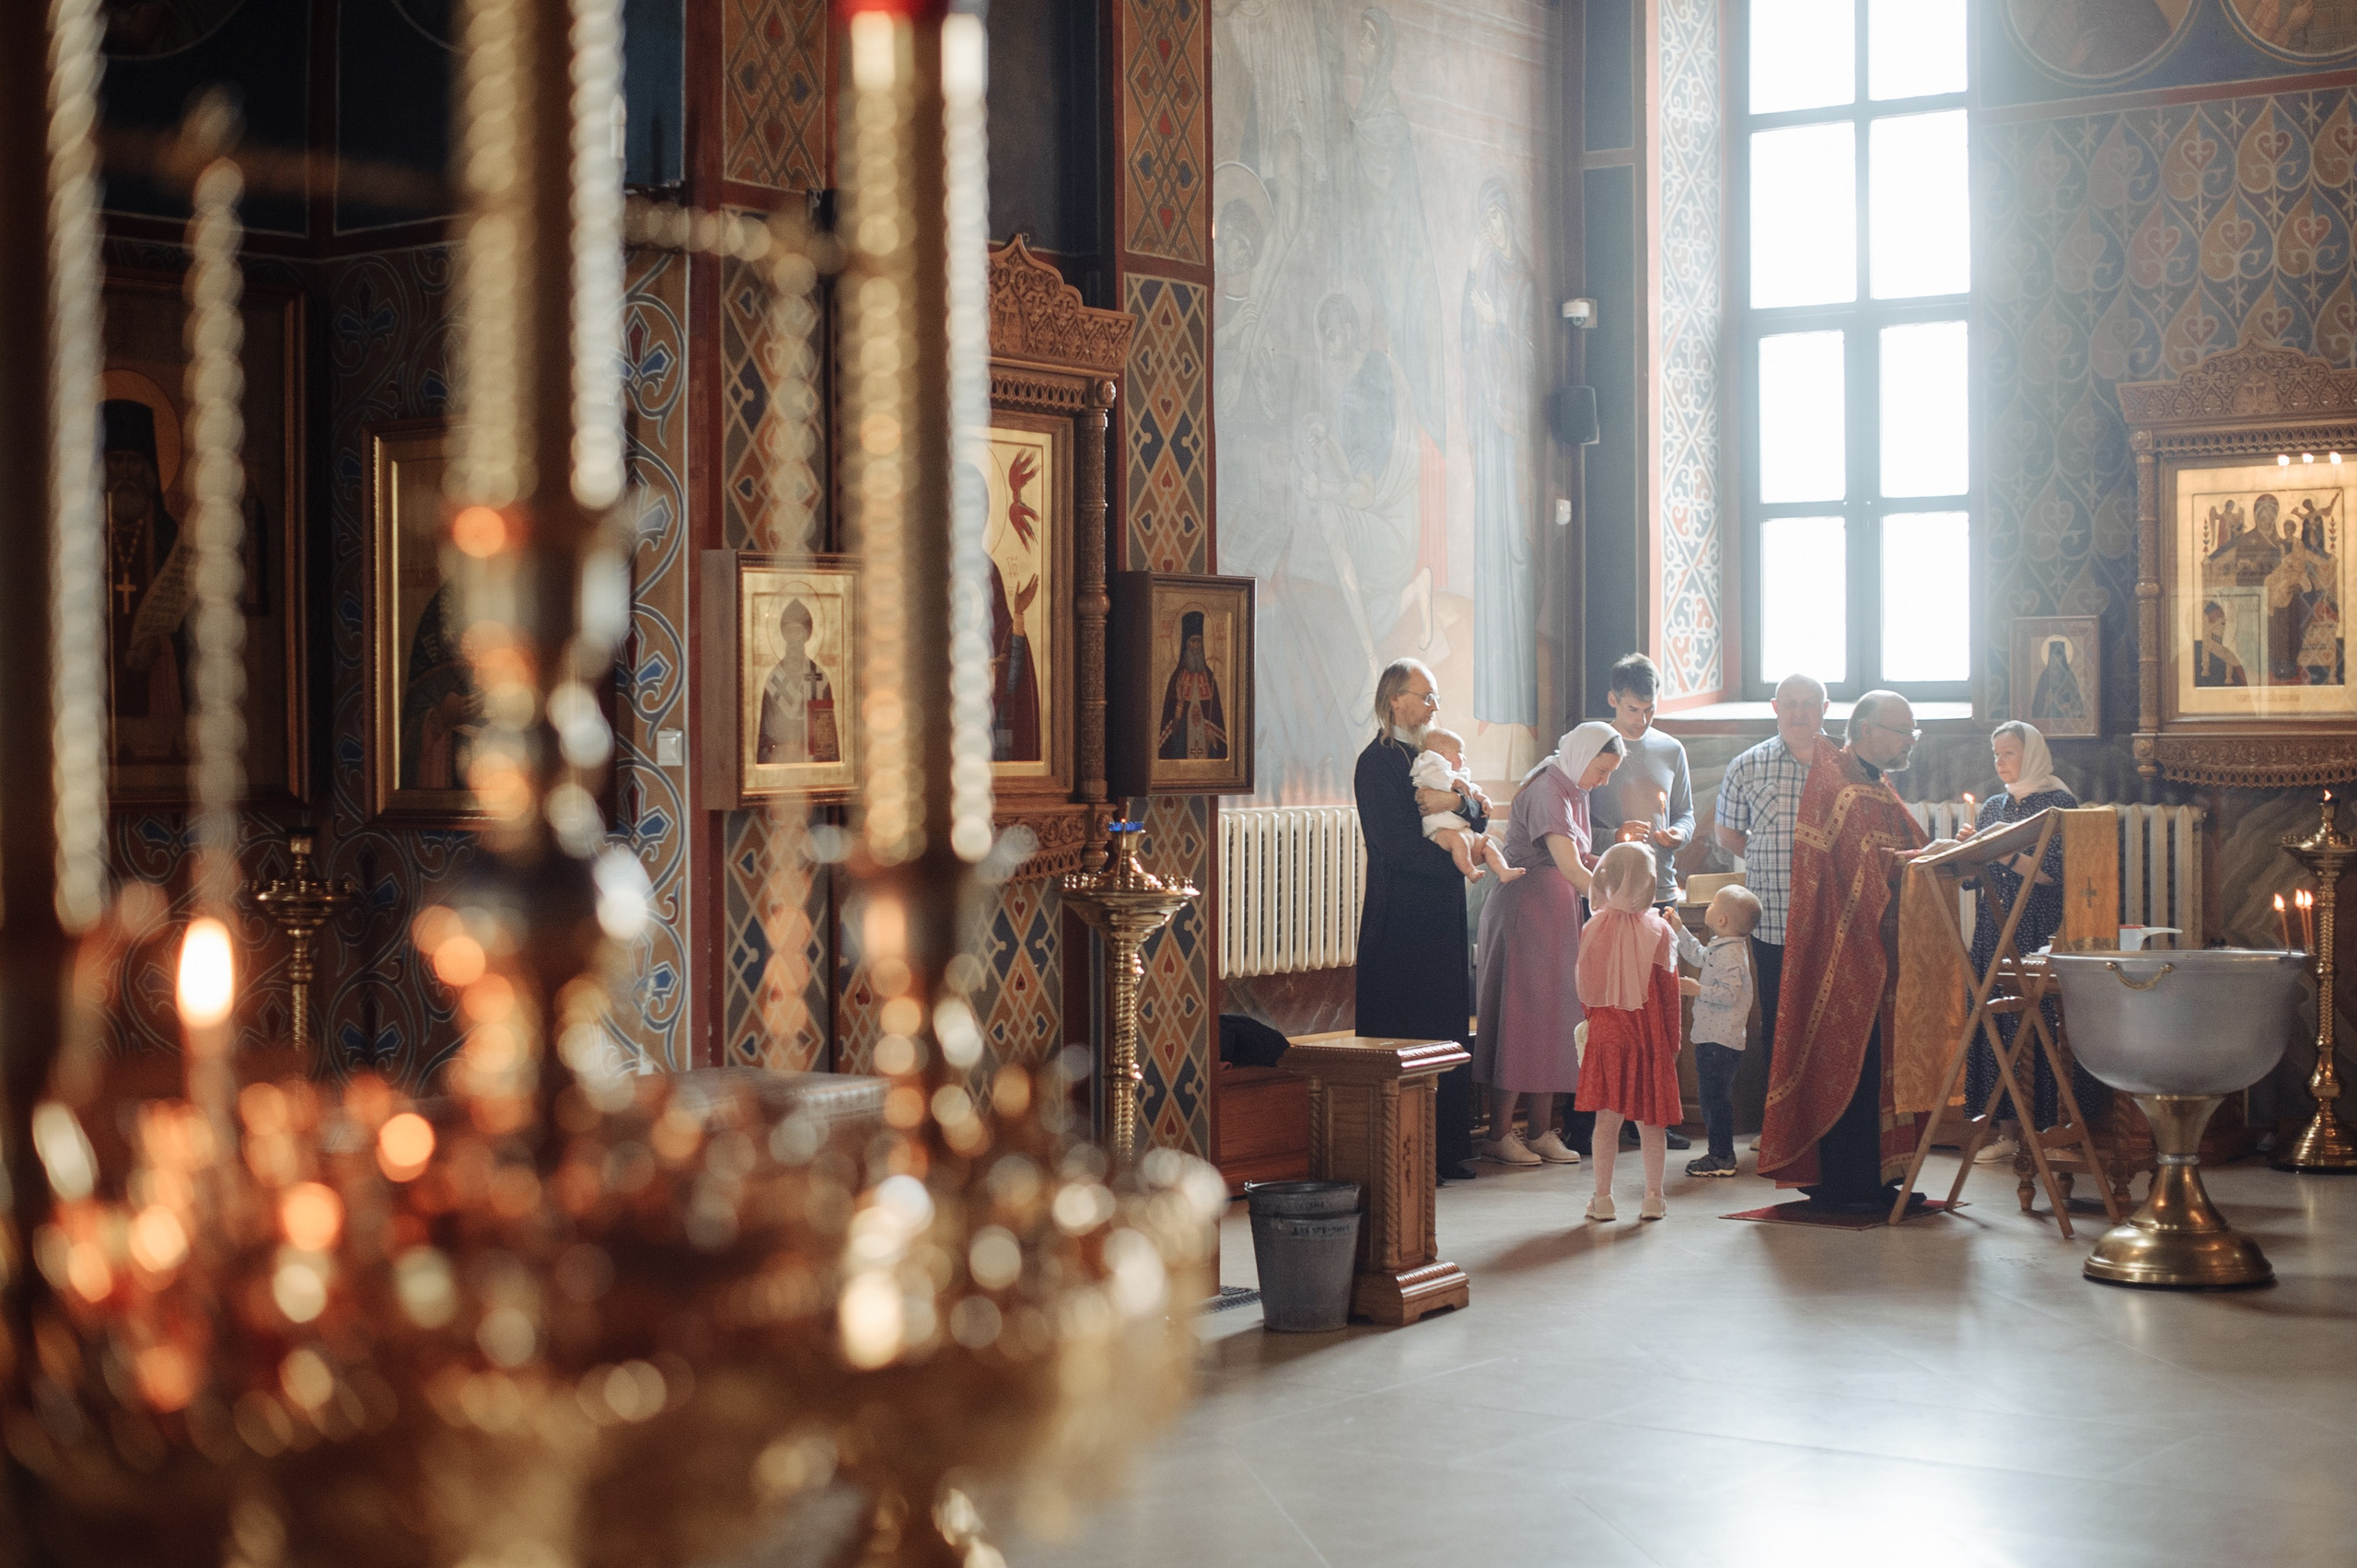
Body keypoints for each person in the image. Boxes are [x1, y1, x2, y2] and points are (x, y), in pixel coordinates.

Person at [1759, 690, 1932, 1214]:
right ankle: (1846, 1177)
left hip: (1880, 947)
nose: (1909, 743)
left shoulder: (1876, 784)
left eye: (1913, 734)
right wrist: (1912, 862)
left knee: (1881, 1059)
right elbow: (1860, 866)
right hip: (1841, 949)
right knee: (1853, 1055)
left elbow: (1908, 849)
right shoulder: (1838, 782)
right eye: (1903, 733)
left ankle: (1879, 1175)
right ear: (1867, 728)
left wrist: (1944, 854)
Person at [1354, 657, 1490, 1181]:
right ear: (1395, 699)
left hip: (1443, 911)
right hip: (1401, 915)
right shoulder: (1378, 763)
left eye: (1435, 696)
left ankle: (1446, 1148)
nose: (1435, 706)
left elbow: (1478, 810)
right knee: (1408, 1031)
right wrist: (1460, 849)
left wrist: (1456, 800)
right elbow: (1393, 846)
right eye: (1425, 695)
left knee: (1446, 1027)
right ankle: (1404, 1157)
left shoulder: (1435, 756)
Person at [1471, 721, 1623, 1167]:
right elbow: (1572, 868)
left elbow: (1582, 859)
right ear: (1581, 756)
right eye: (1602, 769)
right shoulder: (1548, 790)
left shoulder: (1576, 787)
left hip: (1556, 917)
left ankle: (1540, 1130)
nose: (1604, 780)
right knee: (1521, 1021)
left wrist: (1622, 865)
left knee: (1555, 1020)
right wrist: (1622, 905)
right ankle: (1499, 1133)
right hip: (1526, 914)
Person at [1957, 721, 2090, 1166]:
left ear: (2031, 754)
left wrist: (1998, 851)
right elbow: (1977, 879)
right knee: (1995, 1024)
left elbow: (2054, 873)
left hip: (2036, 928)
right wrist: (1969, 855)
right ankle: (2007, 1131)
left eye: (2010, 752)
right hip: (1994, 927)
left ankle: (2050, 1131)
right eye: (1996, 753)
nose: (2000, 761)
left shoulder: (2058, 803)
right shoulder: (1994, 805)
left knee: (2037, 1027)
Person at [1585, 651, 1698, 1152]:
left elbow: (1688, 814)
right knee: (1612, 1004)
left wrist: (1676, 835)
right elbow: (1577, 821)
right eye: (1634, 709)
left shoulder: (1671, 749)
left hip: (1661, 887)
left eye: (1650, 710)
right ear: (1613, 699)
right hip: (1610, 894)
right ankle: (1603, 1111)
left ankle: (1655, 1113)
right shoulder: (1595, 744)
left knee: (1658, 1003)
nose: (1643, 719)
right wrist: (1616, 833)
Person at [1713, 672, 1828, 1148]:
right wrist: (1768, 860)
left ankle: (1826, 1123)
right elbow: (1727, 834)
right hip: (1774, 917)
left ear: (1825, 708)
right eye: (1792, 704)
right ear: (1776, 707)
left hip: (1831, 919)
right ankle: (1780, 1127)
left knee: (1828, 1022)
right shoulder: (1748, 765)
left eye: (1810, 704)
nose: (1800, 713)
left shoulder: (1842, 764)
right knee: (1778, 1022)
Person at [1576, 843, 1699, 1221]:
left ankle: (1603, 1199)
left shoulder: (1591, 928)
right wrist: (1673, 1042)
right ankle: (1653, 1197)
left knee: (1607, 1120)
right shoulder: (1661, 931)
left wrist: (1593, 1024)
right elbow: (1669, 994)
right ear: (1649, 883)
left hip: (1607, 1036)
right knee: (1651, 1123)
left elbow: (1587, 989)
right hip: (1648, 1037)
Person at [1676, 885, 1762, 1179]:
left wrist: (1697, 989)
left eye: (1712, 904)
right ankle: (1720, 1153)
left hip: (1719, 1042)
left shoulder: (1730, 955)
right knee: (1713, 1099)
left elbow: (1728, 994)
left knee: (1714, 1101)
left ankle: (1721, 1155)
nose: (1708, 907)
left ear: (1722, 919)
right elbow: (1700, 956)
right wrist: (1680, 930)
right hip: (1713, 1039)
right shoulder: (1723, 946)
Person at [1412, 727, 1521, 882]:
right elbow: (1439, 781)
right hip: (1441, 831)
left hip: (1463, 829)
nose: (1464, 757)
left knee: (1487, 845)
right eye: (1459, 752)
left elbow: (1472, 791)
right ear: (1442, 755)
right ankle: (1470, 871)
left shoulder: (1460, 774)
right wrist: (1458, 783)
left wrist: (1483, 799)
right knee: (1459, 842)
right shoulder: (1430, 768)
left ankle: (1503, 870)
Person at [757, 598, 840, 765]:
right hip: (780, 762)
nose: (795, 637)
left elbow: (825, 739)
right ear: (784, 635)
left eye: (799, 631)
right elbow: (765, 733)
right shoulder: (774, 679)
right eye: (790, 631)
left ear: (807, 635)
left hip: (811, 762)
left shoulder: (819, 679)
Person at [1156, 610, 1230, 761]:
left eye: (1200, 642)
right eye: (1193, 641)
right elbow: (1172, 731)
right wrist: (1180, 704)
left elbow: (1217, 721)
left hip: (1206, 750)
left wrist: (1214, 740)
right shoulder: (1177, 678)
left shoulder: (1209, 678)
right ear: (1186, 644)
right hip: (1183, 748)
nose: (1197, 646)